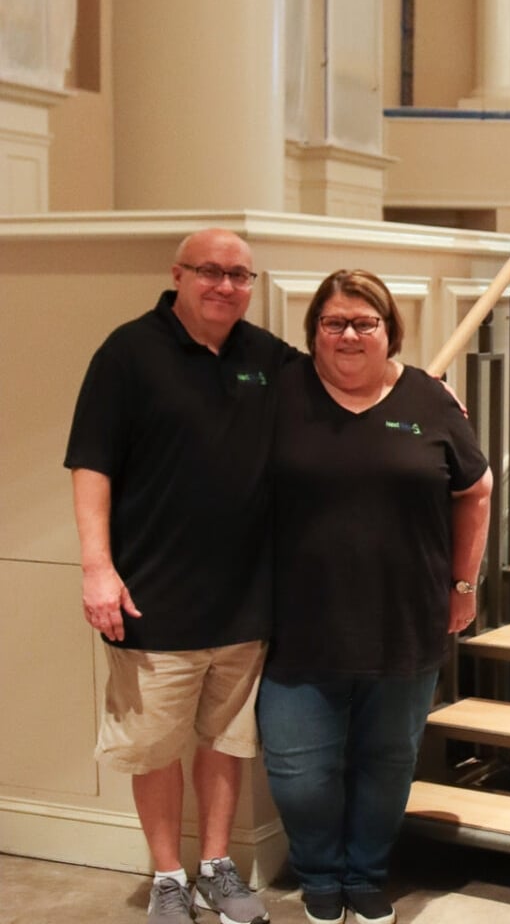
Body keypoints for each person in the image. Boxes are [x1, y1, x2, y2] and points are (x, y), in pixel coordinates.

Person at [65, 229, 293, 924]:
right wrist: (97, 569)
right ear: (179, 275)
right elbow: (91, 465)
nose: (226, 287)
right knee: (155, 749)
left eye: (240, 276)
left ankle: (219, 866)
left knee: (226, 744)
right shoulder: (128, 352)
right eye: (211, 272)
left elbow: (348, 380)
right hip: (151, 601)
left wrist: (423, 391)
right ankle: (169, 876)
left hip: (245, 602)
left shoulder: (266, 357)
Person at [257, 269, 493, 924]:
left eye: (365, 322)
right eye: (334, 322)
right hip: (296, 626)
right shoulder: (279, 393)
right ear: (313, 333)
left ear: (391, 330)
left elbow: (475, 489)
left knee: (387, 764)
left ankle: (363, 874)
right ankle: (319, 875)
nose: (350, 334)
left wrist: (464, 584)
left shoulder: (430, 399)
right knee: (301, 773)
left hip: (405, 620)